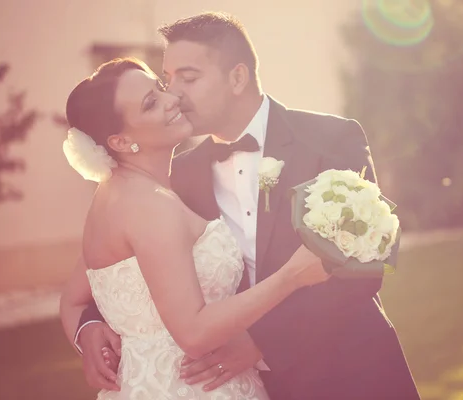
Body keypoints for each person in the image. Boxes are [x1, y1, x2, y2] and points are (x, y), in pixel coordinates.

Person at [74, 12, 420, 400]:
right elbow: (122, 271)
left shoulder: (330, 138)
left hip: (352, 372)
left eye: (188, 78)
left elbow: (365, 266)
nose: (175, 94)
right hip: (255, 388)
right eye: (168, 79)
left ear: (237, 77)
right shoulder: (176, 178)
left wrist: (261, 342)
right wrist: (86, 329)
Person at [59, 57, 329, 400]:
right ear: (121, 142)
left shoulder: (111, 196)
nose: (171, 98)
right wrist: (292, 276)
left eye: (158, 86)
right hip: (195, 388)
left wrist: (86, 331)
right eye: (151, 103)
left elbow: (71, 300)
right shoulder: (150, 206)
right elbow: (194, 333)